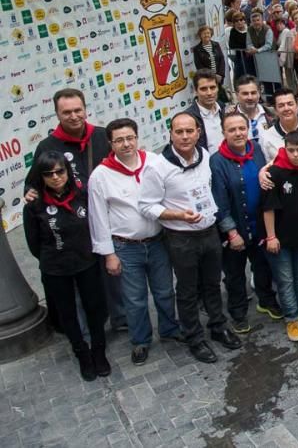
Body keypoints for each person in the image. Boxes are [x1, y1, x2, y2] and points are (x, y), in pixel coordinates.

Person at [138, 112, 242, 363]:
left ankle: (218, 326)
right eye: (179, 132)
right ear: (171, 134)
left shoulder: (205, 156)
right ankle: (194, 337)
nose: (185, 136)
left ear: (198, 132)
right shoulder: (157, 167)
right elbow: (145, 206)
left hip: (209, 232)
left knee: (212, 283)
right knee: (187, 290)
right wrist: (177, 215)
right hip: (180, 236)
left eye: (189, 131)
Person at [27, 88, 123, 332]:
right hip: (73, 227)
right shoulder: (47, 145)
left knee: (114, 272)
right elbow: (34, 182)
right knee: (85, 279)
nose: (73, 116)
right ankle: (92, 326)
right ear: (57, 114)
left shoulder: (102, 136)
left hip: (110, 219)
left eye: (77, 110)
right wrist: (30, 192)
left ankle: (120, 319)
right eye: (66, 112)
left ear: (85, 109)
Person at [88, 119, 181, 366]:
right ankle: (140, 340)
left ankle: (170, 329)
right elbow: (98, 217)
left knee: (164, 290)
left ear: (137, 138)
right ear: (111, 143)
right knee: (135, 298)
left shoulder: (154, 161)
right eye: (119, 140)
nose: (126, 144)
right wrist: (109, 254)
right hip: (126, 247)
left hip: (158, 241)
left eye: (130, 138)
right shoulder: (101, 175)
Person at [24, 151, 109, 381]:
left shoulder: (82, 193)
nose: (55, 177)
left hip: (86, 263)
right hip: (55, 269)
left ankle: (99, 351)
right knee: (67, 313)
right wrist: (53, 258)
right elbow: (33, 243)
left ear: (67, 171)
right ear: (41, 177)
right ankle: (82, 353)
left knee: (94, 307)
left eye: (60, 171)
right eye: (48, 174)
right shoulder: (34, 204)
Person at [210, 111, 280, 333]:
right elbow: (219, 201)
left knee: (263, 267)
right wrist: (231, 232)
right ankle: (238, 313)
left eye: (241, 128)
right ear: (224, 133)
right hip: (235, 228)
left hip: (259, 225)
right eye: (232, 130)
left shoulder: (257, 150)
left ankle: (266, 300)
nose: (238, 133)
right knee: (235, 274)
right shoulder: (217, 161)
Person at [260, 130, 298, 342]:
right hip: (279, 239)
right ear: (284, 149)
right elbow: (268, 208)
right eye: (291, 150)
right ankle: (291, 318)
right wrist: (270, 236)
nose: (295, 155)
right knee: (285, 280)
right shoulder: (274, 173)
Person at [259, 88, 298, 162]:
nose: (286, 108)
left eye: (290, 104)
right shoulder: (267, 138)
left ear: (297, 106)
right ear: (275, 110)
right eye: (281, 106)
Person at [184, 69, 226, 152]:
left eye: (212, 87)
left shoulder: (223, 108)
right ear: (196, 91)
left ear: (218, 88)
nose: (209, 93)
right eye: (203, 89)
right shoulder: (188, 117)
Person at [231, 75, 274, 143]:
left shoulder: (272, 115)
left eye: (253, 93)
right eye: (245, 94)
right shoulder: (229, 118)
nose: (250, 97)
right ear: (237, 95)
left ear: (259, 93)